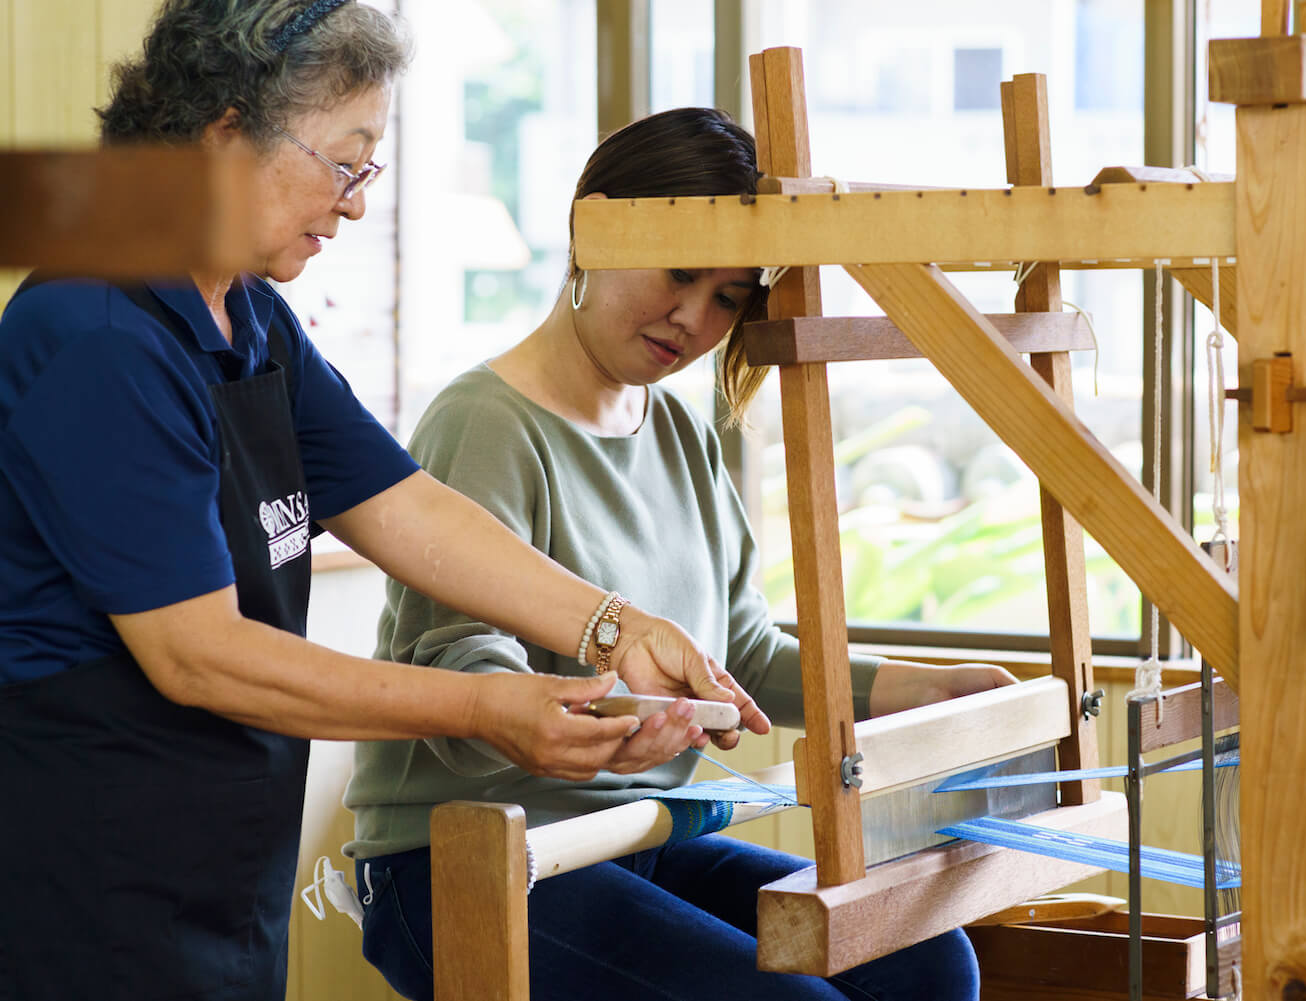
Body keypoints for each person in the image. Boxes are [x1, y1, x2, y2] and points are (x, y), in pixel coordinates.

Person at [0, 8, 757, 1000]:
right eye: (347, 163)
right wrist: (490, 703)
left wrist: (615, 628)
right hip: (88, 870)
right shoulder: (94, 330)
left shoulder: (254, 320)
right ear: (227, 136)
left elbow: (404, 508)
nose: (355, 204)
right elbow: (198, 652)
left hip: (222, 856)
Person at [347, 107, 1021, 1001]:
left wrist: (928, 689)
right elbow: (465, 679)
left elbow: (740, 658)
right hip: (471, 863)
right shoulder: (484, 423)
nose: (694, 319)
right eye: (680, 273)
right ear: (592, 225)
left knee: (930, 963)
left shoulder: (677, 429)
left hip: (639, 838)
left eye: (729, 298)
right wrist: (602, 721)